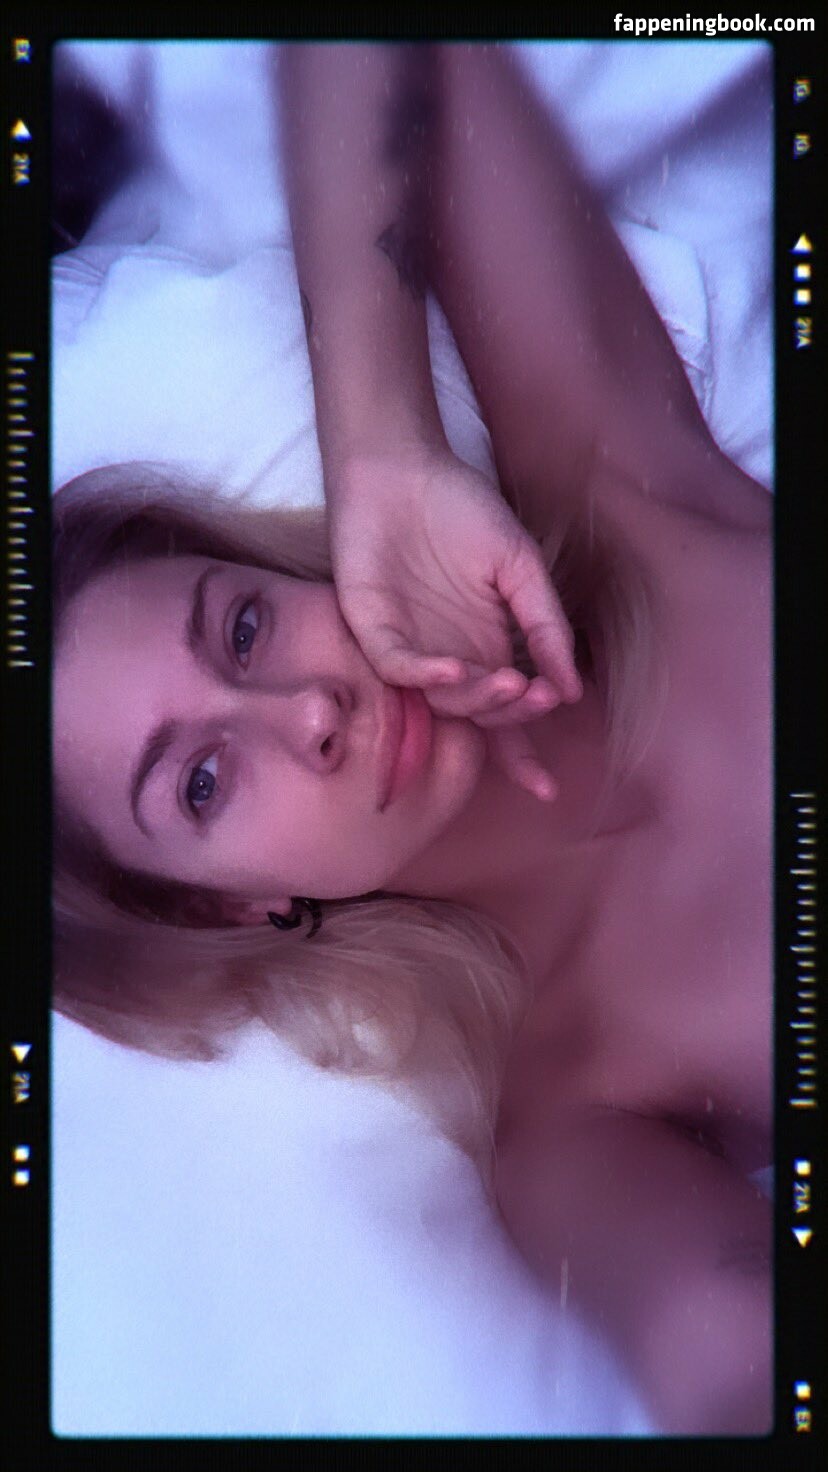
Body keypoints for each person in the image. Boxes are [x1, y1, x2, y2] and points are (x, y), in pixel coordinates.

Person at [52, 44, 772, 1434]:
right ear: (229, 905)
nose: (308, 714)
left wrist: (381, 442)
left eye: (244, 629)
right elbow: (725, 1351)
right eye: (203, 781)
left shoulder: (607, 487)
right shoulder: (572, 1118)